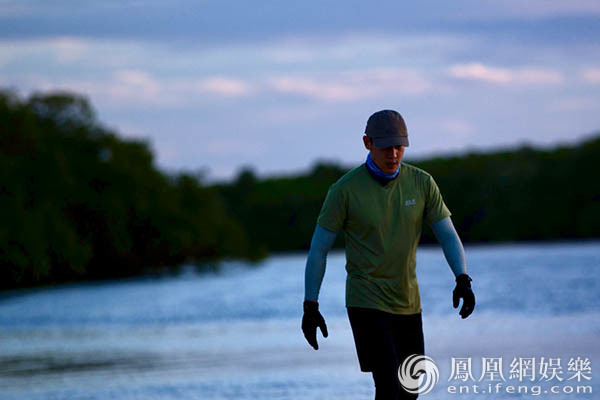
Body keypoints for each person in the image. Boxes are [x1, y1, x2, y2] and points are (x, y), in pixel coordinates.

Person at [301, 110, 475, 400]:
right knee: (390, 387)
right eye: (385, 147)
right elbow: (319, 249)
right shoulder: (344, 191)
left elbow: (448, 235)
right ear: (367, 143)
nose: (393, 154)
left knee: (410, 391)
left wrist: (463, 279)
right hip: (366, 301)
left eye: (400, 146)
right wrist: (310, 305)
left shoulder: (422, 183)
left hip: (408, 302)